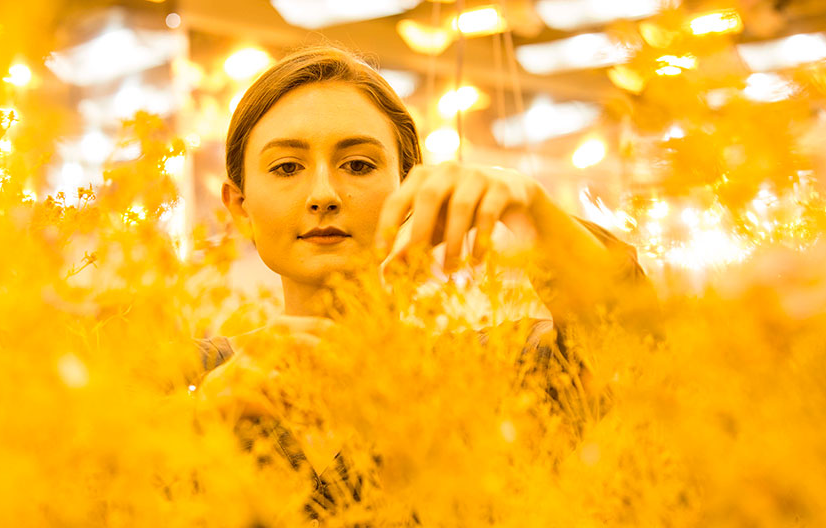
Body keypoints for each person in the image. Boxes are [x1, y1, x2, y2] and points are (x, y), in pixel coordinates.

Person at [198, 45, 659, 521]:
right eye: (286, 167)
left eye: (358, 165)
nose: (324, 194)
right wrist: (196, 422)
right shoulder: (186, 379)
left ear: (410, 189)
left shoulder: (495, 374)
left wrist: (530, 209)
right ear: (240, 208)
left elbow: (636, 346)